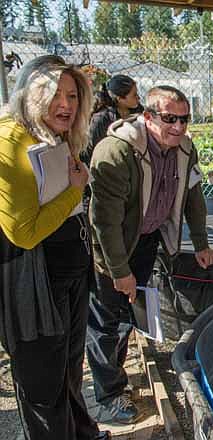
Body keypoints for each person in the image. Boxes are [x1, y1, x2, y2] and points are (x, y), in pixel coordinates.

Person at [86, 85, 213, 423]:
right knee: (104, 319)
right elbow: (104, 222)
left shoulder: (184, 149)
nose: (178, 127)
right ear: (147, 116)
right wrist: (118, 270)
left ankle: (116, 373)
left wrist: (201, 243)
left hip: (145, 240)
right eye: (169, 118)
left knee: (130, 309)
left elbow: (193, 197)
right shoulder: (116, 152)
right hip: (110, 246)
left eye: (184, 119)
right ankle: (109, 396)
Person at [0, 55, 109, 440]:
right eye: (53, 94)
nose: (65, 104)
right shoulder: (9, 139)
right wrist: (75, 191)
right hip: (33, 285)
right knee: (44, 382)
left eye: (72, 95)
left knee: (69, 367)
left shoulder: (55, 134)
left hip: (70, 273)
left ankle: (82, 432)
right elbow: (25, 233)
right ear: (30, 94)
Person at [81, 74, 142, 166]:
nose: (139, 97)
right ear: (120, 99)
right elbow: (93, 152)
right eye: (134, 95)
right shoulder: (102, 119)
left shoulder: (139, 112)